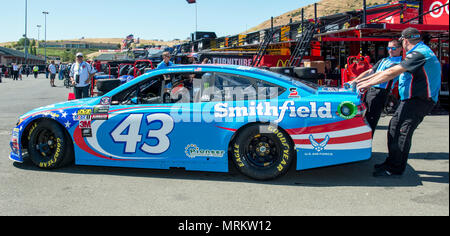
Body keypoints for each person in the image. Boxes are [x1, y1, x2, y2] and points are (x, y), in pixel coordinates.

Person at [356, 27, 442, 178]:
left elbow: (391, 72)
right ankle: (391, 163)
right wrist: (363, 81)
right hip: (412, 99)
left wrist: (366, 84)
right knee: (394, 127)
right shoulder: (419, 51)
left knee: (402, 131)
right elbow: (383, 72)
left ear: (405, 41)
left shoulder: (419, 53)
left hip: (419, 100)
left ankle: (395, 168)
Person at [351, 39, 403, 136]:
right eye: (389, 48)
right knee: (363, 118)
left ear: (400, 49)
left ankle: (367, 144)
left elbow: (382, 76)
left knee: (371, 120)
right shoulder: (384, 60)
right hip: (370, 90)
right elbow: (370, 72)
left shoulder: (399, 63)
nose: (391, 50)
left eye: (394, 48)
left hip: (380, 92)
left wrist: (364, 83)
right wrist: (355, 80)